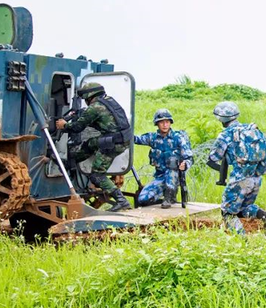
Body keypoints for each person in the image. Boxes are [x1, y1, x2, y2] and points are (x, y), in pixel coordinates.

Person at [55, 82, 133, 211]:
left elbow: (77, 128)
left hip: (113, 144)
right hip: (122, 140)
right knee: (90, 144)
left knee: (97, 176)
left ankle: (121, 201)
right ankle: (73, 160)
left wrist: (64, 125)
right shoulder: (109, 101)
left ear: (89, 96)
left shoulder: (94, 108)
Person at [207, 101, 266, 234]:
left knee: (228, 212)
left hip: (240, 179)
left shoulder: (226, 134)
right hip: (256, 178)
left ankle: (241, 240)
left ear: (220, 118)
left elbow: (214, 157)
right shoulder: (251, 130)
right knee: (244, 209)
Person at [133, 109, 193, 208]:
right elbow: (136, 139)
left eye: (167, 122)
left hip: (175, 176)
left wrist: (185, 164)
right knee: (142, 199)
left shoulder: (178, 138)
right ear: (157, 124)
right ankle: (165, 193)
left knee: (173, 162)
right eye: (162, 122)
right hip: (161, 177)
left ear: (170, 123)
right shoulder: (153, 138)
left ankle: (169, 196)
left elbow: (189, 157)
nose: (165, 125)